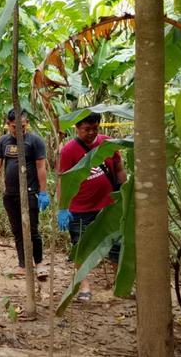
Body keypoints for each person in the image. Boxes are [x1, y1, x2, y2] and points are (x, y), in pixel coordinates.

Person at [56, 112, 127, 302]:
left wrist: (124, 193)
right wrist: (63, 207)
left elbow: (119, 168)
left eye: (95, 128)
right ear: (77, 128)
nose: (91, 133)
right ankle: (84, 286)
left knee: (116, 245)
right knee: (81, 247)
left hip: (108, 205)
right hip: (80, 208)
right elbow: (63, 180)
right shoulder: (69, 151)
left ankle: (119, 283)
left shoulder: (107, 143)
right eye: (87, 129)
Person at [0, 108, 50, 279]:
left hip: (30, 193)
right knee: (17, 230)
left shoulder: (35, 141)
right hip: (10, 194)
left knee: (32, 230)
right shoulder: (3, 141)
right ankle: (23, 265)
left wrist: (44, 192)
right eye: (14, 127)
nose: (19, 130)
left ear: (27, 123)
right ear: (8, 124)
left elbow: (41, 167)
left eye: (22, 126)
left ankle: (39, 264)